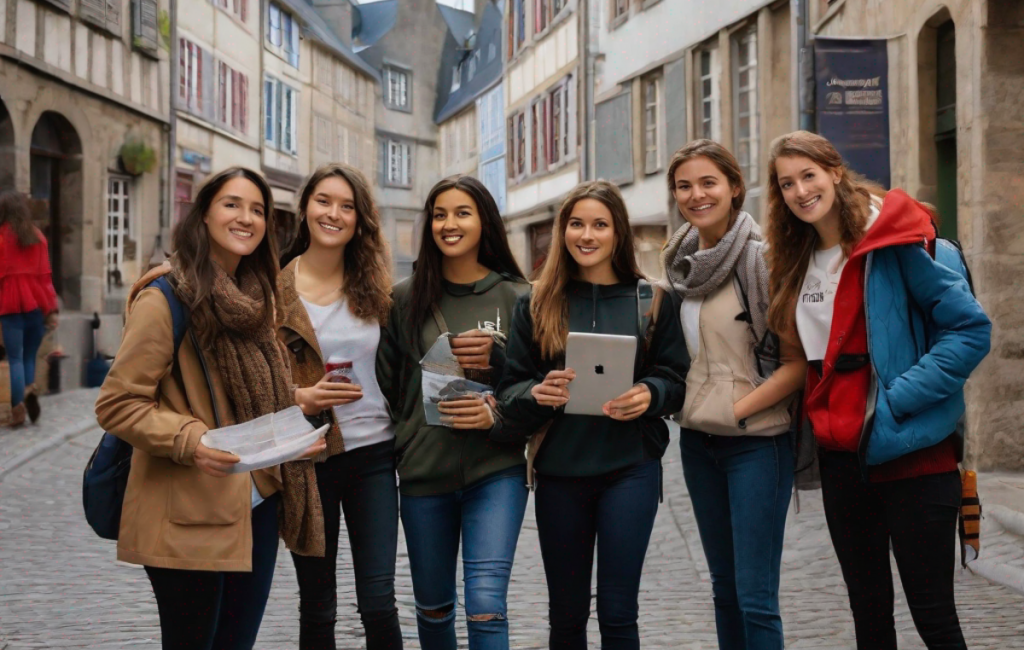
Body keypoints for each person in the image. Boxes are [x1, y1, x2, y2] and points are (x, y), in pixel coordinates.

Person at [764, 130, 991, 650]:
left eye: (809, 175)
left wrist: (896, 402)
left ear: (835, 172)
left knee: (934, 617)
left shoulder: (891, 242)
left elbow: (970, 330)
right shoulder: (796, 260)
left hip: (914, 454)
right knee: (869, 618)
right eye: (787, 183)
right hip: (844, 459)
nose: (800, 191)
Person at [95, 167, 326, 650]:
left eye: (258, 210)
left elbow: (251, 397)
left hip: (256, 502)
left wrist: (294, 416)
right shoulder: (165, 299)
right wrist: (190, 439)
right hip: (187, 509)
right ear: (202, 216)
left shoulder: (258, 300)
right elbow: (118, 403)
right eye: (231, 204)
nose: (246, 218)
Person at [495, 180, 688, 650]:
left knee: (619, 614)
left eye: (600, 224)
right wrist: (538, 392)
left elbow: (677, 380)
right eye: (576, 224)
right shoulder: (536, 303)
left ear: (617, 232)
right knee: (565, 616)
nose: (587, 235)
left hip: (630, 469)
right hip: (560, 473)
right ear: (563, 232)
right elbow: (510, 390)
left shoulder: (654, 300)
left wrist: (650, 393)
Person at [660, 140, 807, 650]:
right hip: (698, 445)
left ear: (734, 187)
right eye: (684, 185)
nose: (696, 194)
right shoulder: (680, 265)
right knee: (723, 590)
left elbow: (797, 364)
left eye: (708, 183)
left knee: (755, 597)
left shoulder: (762, 261)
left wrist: (736, 411)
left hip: (756, 444)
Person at [376, 175, 531, 650]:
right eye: (440, 214)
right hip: (426, 474)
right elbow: (390, 379)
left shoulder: (518, 296)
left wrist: (497, 408)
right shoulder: (405, 298)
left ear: (484, 220)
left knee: (485, 605)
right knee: (433, 608)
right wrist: (411, 438)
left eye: (462, 213)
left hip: (496, 471)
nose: (449, 224)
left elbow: (535, 388)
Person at [276, 163, 403, 650]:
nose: (334, 213)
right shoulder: (273, 291)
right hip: (307, 458)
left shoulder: (377, 290)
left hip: (373, 456)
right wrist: (300, 398)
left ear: (360, 219)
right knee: (317, 605)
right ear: (305, 207)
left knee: (378, 602)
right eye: (324, 201)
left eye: (347, 206)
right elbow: (248, 386)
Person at [0, 190, 58, 426]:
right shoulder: (38, 238)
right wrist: (52, 309)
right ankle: (29, 391)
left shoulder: (2, 239)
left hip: (10, 306)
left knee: (14, 358)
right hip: (37, 306)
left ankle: (17, 409)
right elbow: (46, 277)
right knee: (28, 356)